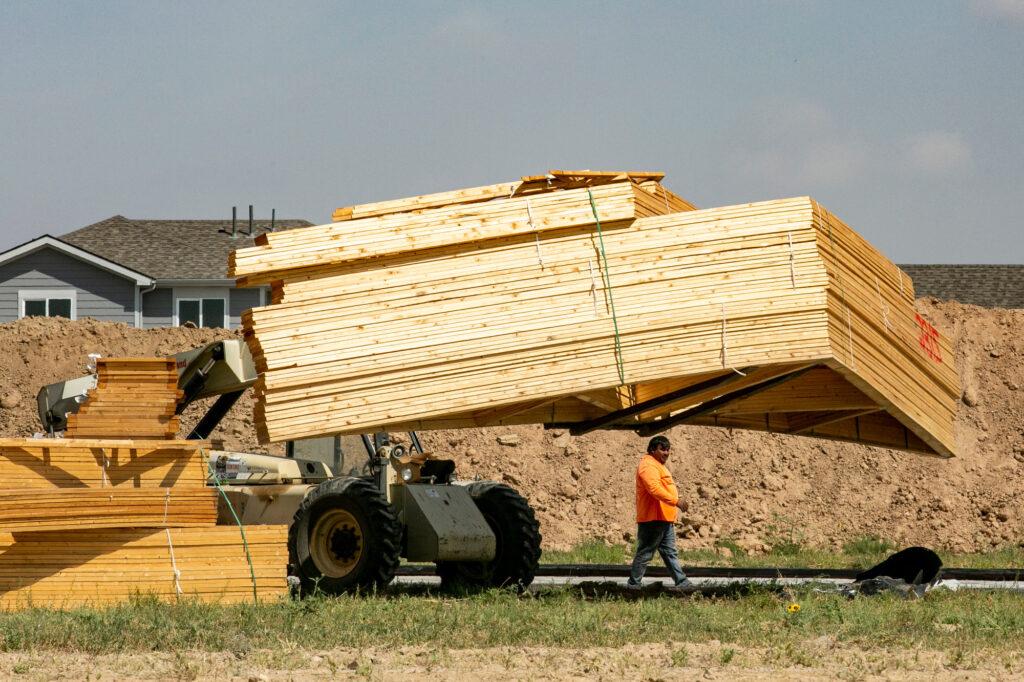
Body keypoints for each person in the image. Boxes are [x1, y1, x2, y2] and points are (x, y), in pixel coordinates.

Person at [627, 435, 695, 590]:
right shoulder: (648, 466)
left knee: (670, 552)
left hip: (663, 518)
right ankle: (633, 584)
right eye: (662, 449)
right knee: (645, 552)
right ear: (652, 450)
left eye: (668, 449)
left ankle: (682, 582)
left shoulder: (657, 465)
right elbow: (654, 489)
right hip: (653, 518)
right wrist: (676, 501)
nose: (666, 452)